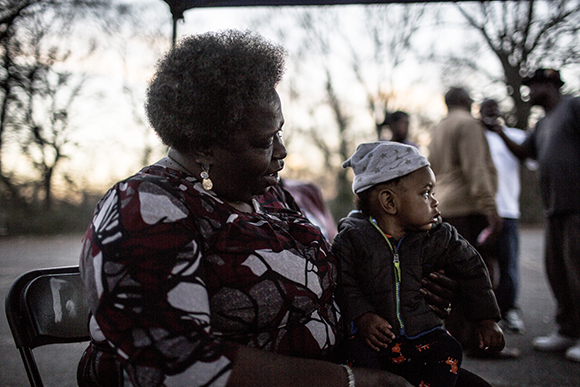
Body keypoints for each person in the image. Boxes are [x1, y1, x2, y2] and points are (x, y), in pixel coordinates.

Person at [77, 29, 447, 387]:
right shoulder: (144, 210)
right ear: (203, 145)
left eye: (279, 133)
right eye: (264, 141)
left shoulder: (266, 195)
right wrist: (349, 381)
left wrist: (405, 286)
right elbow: (178, 365)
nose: (282, 152)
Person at [332, 141, 504, 387]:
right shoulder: (352, 239)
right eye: (425, 193)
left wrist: (486, 319)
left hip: (423, 334)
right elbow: (344, 282)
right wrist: (363, 315)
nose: (434, 201)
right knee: (357, 358)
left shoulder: (439, 237)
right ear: (389, 203)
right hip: (374, 339)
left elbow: (472, 268)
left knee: (449, 351)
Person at [489, 68, 580, 363]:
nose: (528, 91)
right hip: (554, 208)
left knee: (578, 269)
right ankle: (568, 329)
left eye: (534, 85)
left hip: (577, 205)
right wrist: (500, 131)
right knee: (559, 271)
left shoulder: (573, 107)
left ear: (550, 84)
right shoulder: (541, 125)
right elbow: (525, 152)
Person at [427, 87, 503, 356]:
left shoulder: (438, 129)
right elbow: (476, 168)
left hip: (443, 206)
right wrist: (490, 209)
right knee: (477, 275)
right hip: (467, 207)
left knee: (452, 278)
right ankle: (481, 342)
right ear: (464, 101)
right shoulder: (468, 124)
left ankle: (457, 340)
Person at [480, 98, 528, 334]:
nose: (489, 115)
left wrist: (501, 133)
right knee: (481, 266)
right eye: (485, 112)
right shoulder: (475, 138)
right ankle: (488, 314)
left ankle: (509, 310)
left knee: (508, 266)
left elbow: (527, 159)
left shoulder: (515, 135)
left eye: (494, 112)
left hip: (507, 211)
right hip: (481, 211)